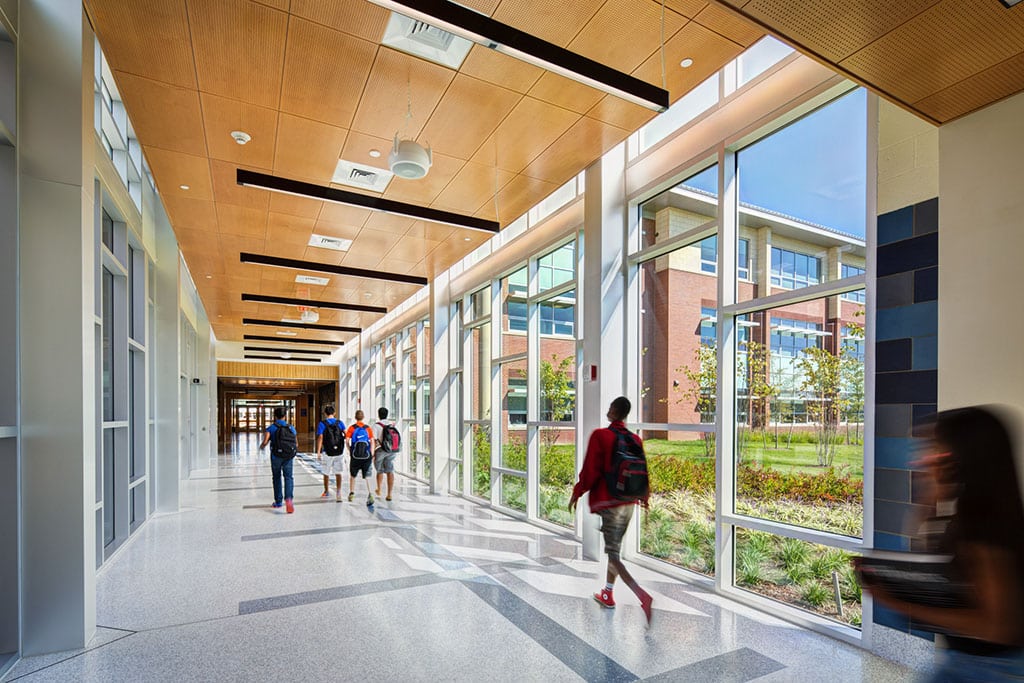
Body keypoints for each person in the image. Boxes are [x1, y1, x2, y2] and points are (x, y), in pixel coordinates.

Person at [856, 406, 1024, 681]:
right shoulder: (970, 515)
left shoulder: (984, 528)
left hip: (988, 670)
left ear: (964, 457)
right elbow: (933, 564)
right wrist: (927, 502)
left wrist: (899, 604)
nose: (922, 461)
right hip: (969, 662)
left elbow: (995, 626)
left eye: (935, 449)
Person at [569, 396, 653, 625]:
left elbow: (590, 471)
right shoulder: (635, 439)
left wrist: (578, 491)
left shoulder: (601, 436)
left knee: (613, 555)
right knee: (614, 549)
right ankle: (607, 592)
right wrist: (644, 499)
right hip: (629, 504)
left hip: (610, 504)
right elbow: (643, 471)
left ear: (614, 411)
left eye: (610, 408)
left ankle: (642, 596)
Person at [259, 406, 298, 514]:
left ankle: (278, 501)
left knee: (276, 477)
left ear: (275, 416)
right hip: (288, 456)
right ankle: (289, 499)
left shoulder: (271, 428)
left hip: (276, 456)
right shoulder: (291, 428)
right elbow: (296, 443)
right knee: (288, 477)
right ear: (285, 416)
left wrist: (261, 447)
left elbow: (265, 441)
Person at [316, 406, 347, 502]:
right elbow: (346, 434)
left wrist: (318, 451)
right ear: (334, 413)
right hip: (339, 452)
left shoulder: (322, 424)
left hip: (327, 452)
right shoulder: (340, 423)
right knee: (338, 472)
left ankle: (326, 491)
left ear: (325, 413)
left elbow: (320, 437)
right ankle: (338, 492)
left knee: (326, 472)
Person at [346, 410, 375, 506]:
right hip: (366, 456)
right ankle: (370, 494)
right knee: (367, 475)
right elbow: (372, 441)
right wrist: (371, 453)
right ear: (363, 417)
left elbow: (347, 441)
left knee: (353, 475)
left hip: (355, 455)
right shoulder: (368, 428)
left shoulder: (352, 428)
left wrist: (350, 450)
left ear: (355, 417)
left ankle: (352, 493)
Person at [374, 407, 400, 502]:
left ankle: (379, 489)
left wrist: (372, 453)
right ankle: (389, 494)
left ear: (379, 415)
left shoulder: (376, 426)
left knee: (380, 470)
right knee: (390, 470)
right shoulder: (392, 425)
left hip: (381, 450)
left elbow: (374, 441)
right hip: (392, 450)